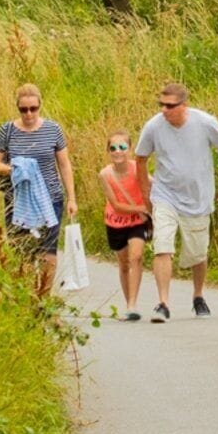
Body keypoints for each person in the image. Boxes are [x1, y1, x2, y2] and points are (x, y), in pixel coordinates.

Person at [130, 79, 218, 320]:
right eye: (161, 105)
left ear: (183, 106)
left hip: (198, 197)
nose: (164, 110)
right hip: (165, 194)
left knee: (198, 253)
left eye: (170, 106)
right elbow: (141, 158)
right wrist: (146, 194)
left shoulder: (204, 122)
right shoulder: (154, 127)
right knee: (162, 246)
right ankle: (163, 303)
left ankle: (198, 296)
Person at [0, 83, 70, 299]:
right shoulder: (7, 130)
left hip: (50, 198)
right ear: (18, 108)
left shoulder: (53, 130)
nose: (29, 114)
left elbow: (64, 164)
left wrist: (72, 197)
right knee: (22, 251)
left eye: (33, 108)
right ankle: (25, 299)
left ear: (40, 106)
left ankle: (43, 300)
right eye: (23, 109)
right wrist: (15, 169)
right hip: (18, 200)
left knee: (48, 253)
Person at [95, 134, 152, 322]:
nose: (118, 151)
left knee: (136, 257)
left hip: (137, 221)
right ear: (108, 151)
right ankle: (129, 303)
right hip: (116, 221)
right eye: (113, 148)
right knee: (124, 263)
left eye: (122, 147)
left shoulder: (138, 169)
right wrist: (142, 208)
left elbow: (154, 185)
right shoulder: (105, 174)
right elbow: (116, 205)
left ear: (129, 148)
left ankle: (132, 305)